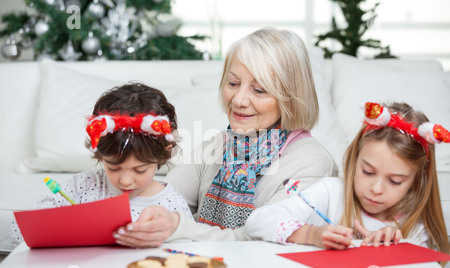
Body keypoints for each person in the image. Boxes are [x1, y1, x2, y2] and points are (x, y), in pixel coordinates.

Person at [114, 27, 338, 247]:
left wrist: (176, 225)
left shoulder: (313, 164)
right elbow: (159, 198)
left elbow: (258, 239)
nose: (238, 100)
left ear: (290, 98)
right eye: (233, 83)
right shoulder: (217, 145)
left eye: (259, 90)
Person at [245, 102, 450, 256]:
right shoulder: (331, 192)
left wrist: (398, 249)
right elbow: (257, 221)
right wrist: (311, 234)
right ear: (355, 158)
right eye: (368, 172)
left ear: (415, 181)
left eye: (395, 181)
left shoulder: (417, 226)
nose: (376, 188)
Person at [11, 83, 192, 248]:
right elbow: (20, 232)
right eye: (113, 167)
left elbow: (189, 249)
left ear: (165, 153)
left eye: (140, 169)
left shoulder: (172, 205)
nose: (126, 181)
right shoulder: (81, 188)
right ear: (99, 154)